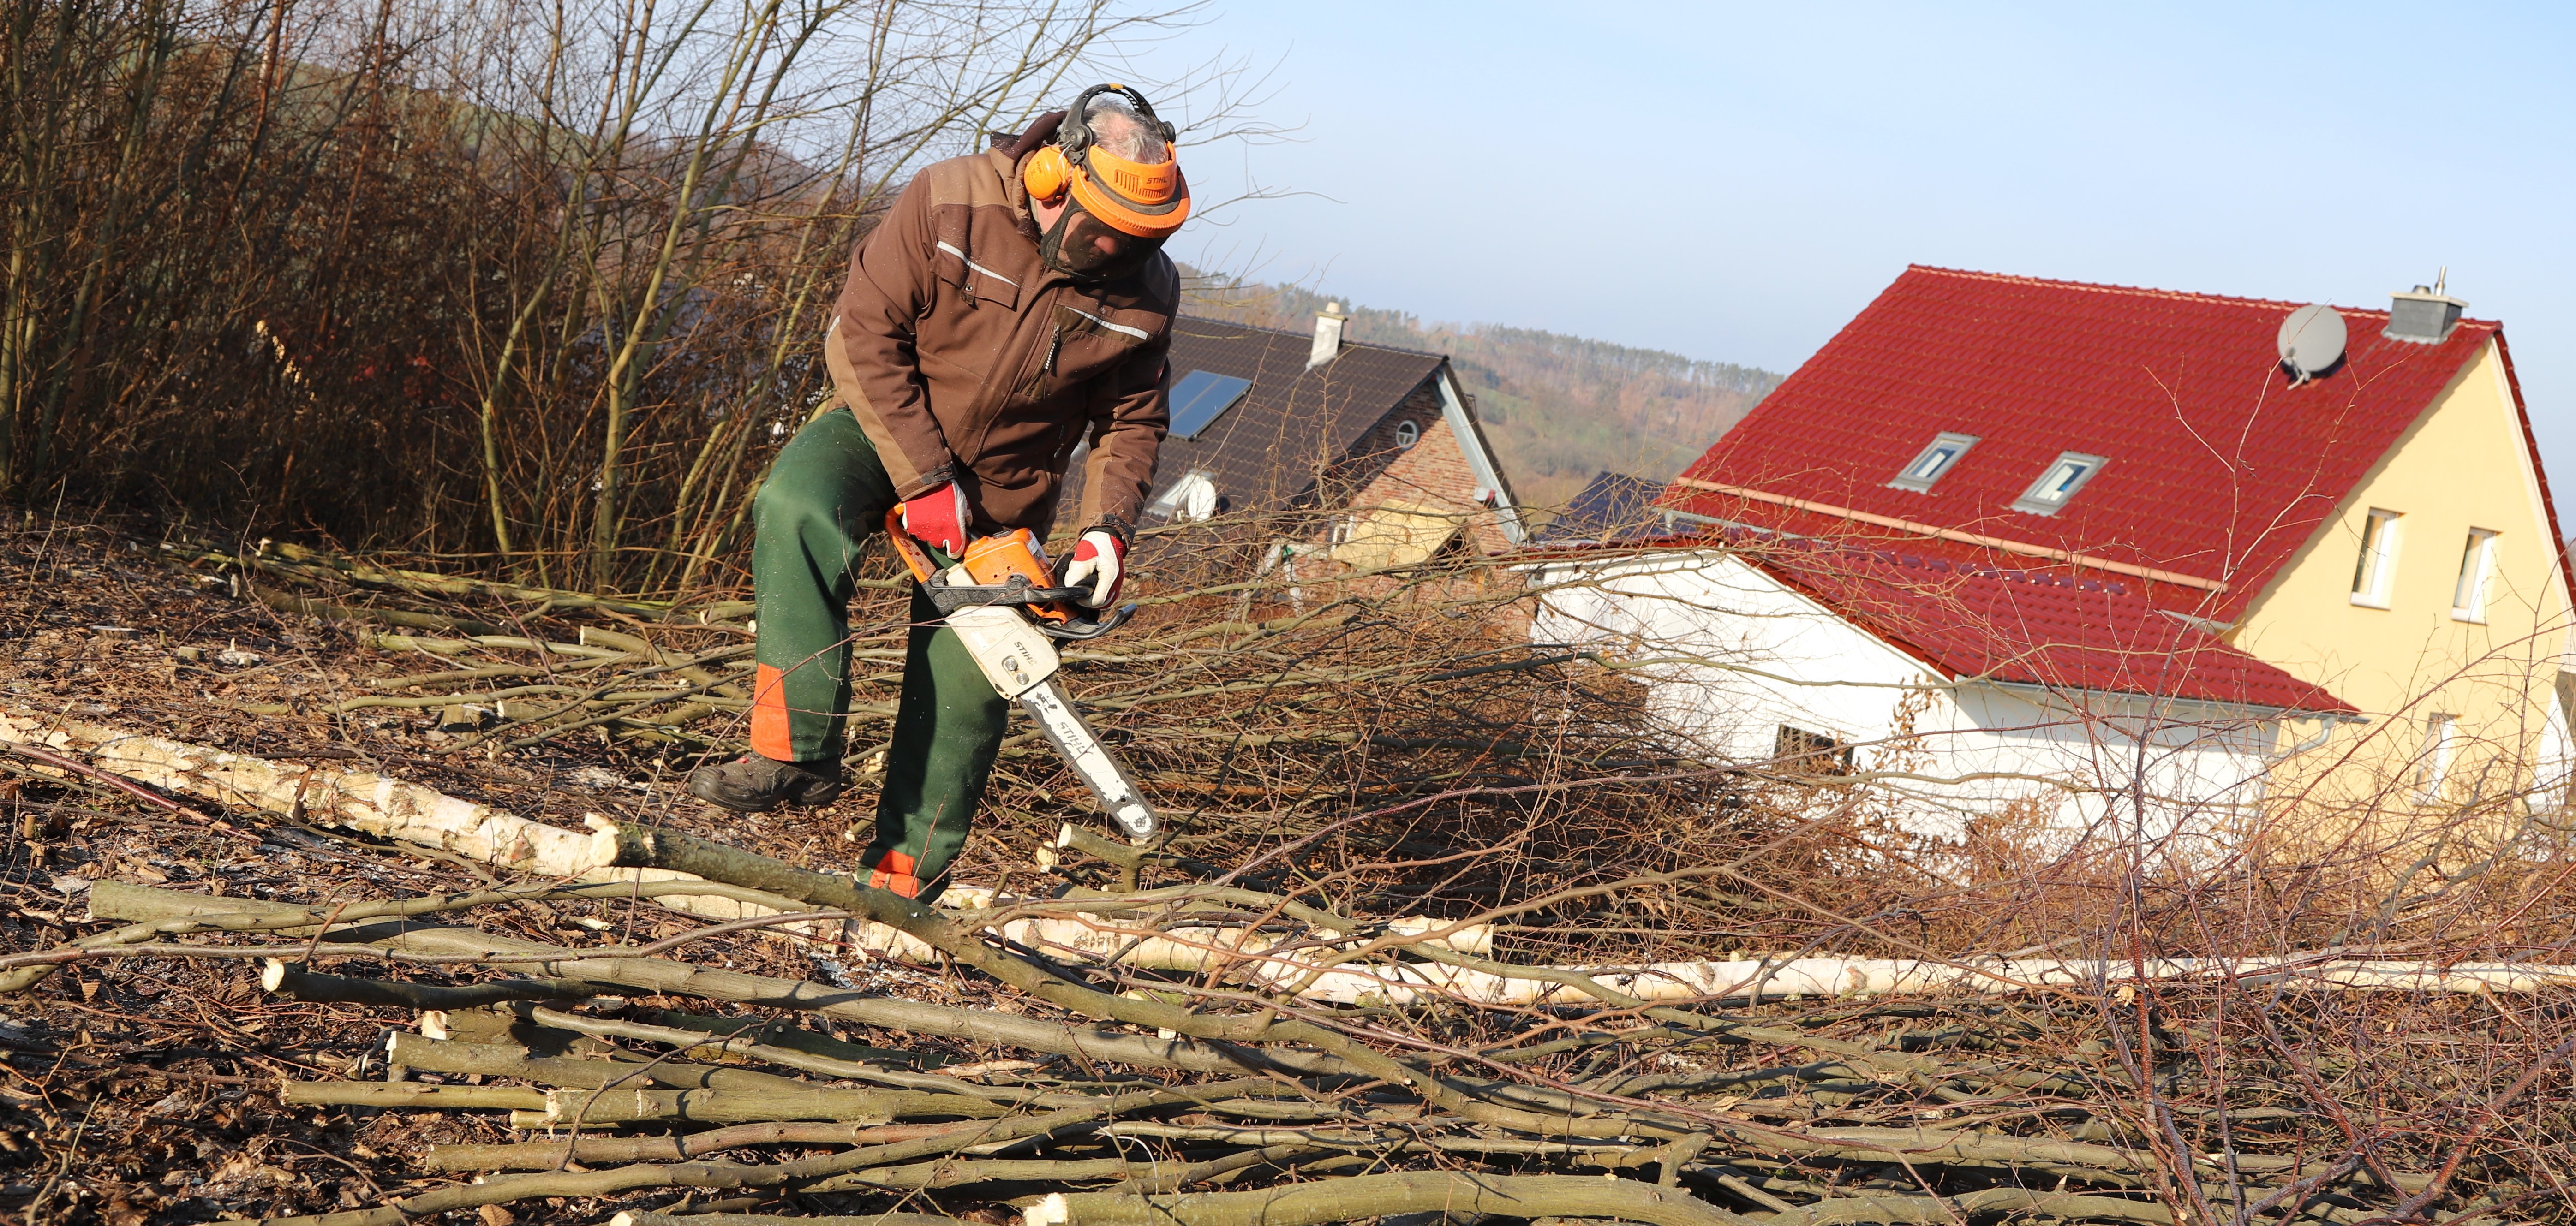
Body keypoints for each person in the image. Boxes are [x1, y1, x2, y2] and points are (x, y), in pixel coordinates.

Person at [685, 86, 1189, 902]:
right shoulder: (950, 200)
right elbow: (862, 332)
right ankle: (795, 750)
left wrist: (1107, 530)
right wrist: (923, 475)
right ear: (1054, 179)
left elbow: (1132, 422)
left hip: (1006, 489)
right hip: (883, 424)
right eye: (1102, 231)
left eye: (1139, 238)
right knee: (797, 505)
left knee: (971, 683)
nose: (1114, 251)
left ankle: (902, 882)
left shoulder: (1148, 291)